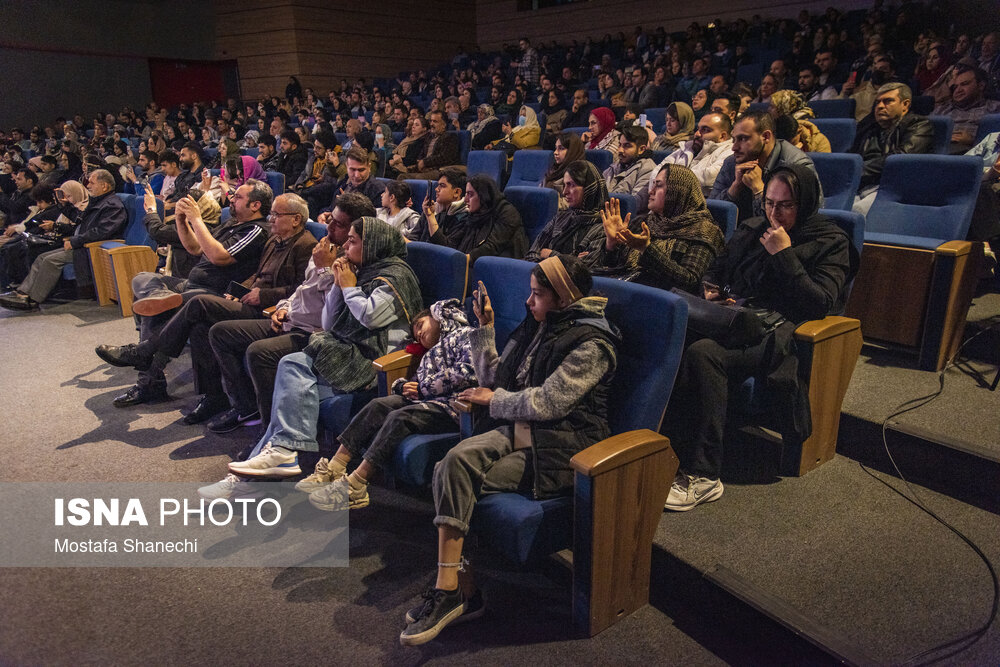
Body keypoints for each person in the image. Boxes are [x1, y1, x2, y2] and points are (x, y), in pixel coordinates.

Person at [398, 255, 618, 645]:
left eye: (536, 295)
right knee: (449, 470)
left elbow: (550, 403)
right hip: (520, 431)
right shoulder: (540, 325)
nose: (528, 302)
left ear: (564, 296)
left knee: (452, 473)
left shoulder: (593, 343)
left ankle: (456, 593)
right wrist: (485, 330)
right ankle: (456, 590)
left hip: (562, 444)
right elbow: (495, 380)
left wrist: (495, 400)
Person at [664, 164, 856, 511]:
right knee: (672, 334)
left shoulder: (830, 241)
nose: (774, 213)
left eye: (785, 205)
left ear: (807, 203)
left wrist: (785, 255)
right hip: (731, 317)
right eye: (768, 202)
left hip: (776, 331)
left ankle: (704, 475)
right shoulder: (753, 227)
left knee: (704, 353)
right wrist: (710, 289)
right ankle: (666, 450)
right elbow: (715, 268)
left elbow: (819, 304)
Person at [208, 218, 422, 492]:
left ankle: (250, 476)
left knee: (290, 376)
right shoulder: (363, 271)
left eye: (353, 241)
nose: (345, 245)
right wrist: (336, 284)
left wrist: (347, 286)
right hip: (347, 352)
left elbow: (370, 316)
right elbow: (330, 323)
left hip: (375, 365)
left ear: (373, 245)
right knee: (290, 375)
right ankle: (269, 462)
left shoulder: (396, 276)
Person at [95, 191, 316, 412]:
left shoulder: (296, 242)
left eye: (276, 215)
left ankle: (145, 354)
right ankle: (211, 397)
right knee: (148, 285)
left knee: (196, 303)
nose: (271, 218)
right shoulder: (274, 239)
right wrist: (240, 290)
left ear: (296, 219)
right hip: (233, 295)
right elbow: (252, 273)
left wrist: (262, 295)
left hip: (264, 308)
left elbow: (302, 288)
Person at [208, 192, 376, 432]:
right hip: (289, 319)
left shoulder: (352, 262)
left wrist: (325, 269)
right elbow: (302, 289)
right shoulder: (324, 248)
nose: (329, 226)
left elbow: (335, 312)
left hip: (314, 333)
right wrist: (283, 307)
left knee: (258, 352)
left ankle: (272, 433)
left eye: (339, 224)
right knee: (221, 333)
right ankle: (246, 408)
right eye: (331, 219)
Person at [300, 299, 478, 508]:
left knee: (399, 417)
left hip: (454, 407)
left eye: (421, 325)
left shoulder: (467, 334)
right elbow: (419, 383)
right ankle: (335, 467)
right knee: (379, 405)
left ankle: (357, 484)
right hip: (428, 400)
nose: (419, 335)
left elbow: (468, 372)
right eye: (415, 335)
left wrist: (423, 388)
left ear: (437, 315)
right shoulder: (430, 353)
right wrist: (403, 387)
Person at [582, 164, 725, 291]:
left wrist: (647, 249)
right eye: (653, 184)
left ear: (677, 190)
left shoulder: (704, 232)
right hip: (624, 289)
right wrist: (612, 245)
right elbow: (612, 266)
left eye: (659, 185)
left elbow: (689, 282)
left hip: (655, 303)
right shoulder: (644, 222)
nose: (651, 191)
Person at [0, 170, 126, 311]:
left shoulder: (112, 206)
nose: (88, 185)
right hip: (81, 244)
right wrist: (65, 206)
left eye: (91, 182)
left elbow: (102, 232)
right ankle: (23, 293)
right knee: (42, 257)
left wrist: (74, 241)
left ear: (104, 186)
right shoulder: (98, 202)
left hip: (91, 248)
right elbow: (80, 219)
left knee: (50, 260)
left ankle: (33, 299)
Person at [710, 110, 823, 222]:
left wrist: (759, 190)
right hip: (745, 234)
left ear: (766, 136)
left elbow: (801, 219)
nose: (734, 147)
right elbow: (711, 211)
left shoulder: (796, 165)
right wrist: (734, 189)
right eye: (734, 140)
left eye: (743, 139)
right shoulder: (732, 162)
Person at [851, 83, 934, 215]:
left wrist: (858, 170)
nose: (880, 106)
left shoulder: (919, 124)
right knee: (829, 209)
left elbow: (901, 159)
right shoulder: (867, 127)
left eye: (888, 101)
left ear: (905, 105)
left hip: (891, 188)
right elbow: (851, 155)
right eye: (877, 102)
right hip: (859, 185)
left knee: (856, 212)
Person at [420, 174, 527, 264]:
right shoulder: (473, 215)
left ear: (483, 196)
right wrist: (430, 216)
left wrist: (462, 260)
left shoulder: (506, 212)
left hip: (498, 267)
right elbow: (449, 246)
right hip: (470, 264)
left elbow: (492, 247)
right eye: (466, 194)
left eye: (470, 194)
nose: (466, 199)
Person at [526, 160, 608, 261]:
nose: (564, 192)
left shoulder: (603, 227)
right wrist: (572, 259)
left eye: (571, 185)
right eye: (565, 185)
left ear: (588, 188)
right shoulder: (561, 218)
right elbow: (533, 253)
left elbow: (585, 268)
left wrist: (552, 254)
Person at [647, 112, 734, 198]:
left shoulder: (729, 153)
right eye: (698, 129)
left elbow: (709, 176)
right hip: (666, 201)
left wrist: (667, 179)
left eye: (705, 130)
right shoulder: (687, 147)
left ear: (722, 136)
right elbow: (658, 169)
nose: (697, 134)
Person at [933, 66, 1000, 153]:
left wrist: (974, 141)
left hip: (974, 156)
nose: (958, 90)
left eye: (964, 84)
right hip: (937, 153)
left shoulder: (995, 108)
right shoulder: (942, 110)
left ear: (981, 85)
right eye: (956, 87)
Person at [406, 167, 468, 243]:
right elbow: (413, 238)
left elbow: (445, 249)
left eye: (442, 185)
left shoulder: (464, 218)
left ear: (457, 192)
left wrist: (430, 216)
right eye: (438, 185)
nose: (436, 189)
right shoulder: (431, 209)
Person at [602, 125, 656, 196]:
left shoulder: (648, 169)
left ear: (641, 149)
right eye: (620, 145)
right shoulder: (615, 166)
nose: (620, 150)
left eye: (627, 146)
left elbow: (635, 203)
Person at [406, 111, 461, 180]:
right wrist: (419, 161)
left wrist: (425, 162)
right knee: (403, 176)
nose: (431, 124)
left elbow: (445, 157)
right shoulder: (429, 137)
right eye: (431, 121)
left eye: (435, 121)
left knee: (419, 178)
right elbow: (422, 153)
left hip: (440, 170)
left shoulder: (450, 137)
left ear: (444, 124)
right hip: (425, 169)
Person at [544, 132, 586, 208]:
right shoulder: (554, 170)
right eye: (556, 148)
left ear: (572, 151)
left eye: (561, 148)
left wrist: (545, 200)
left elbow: (571, 203)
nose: (555, 152)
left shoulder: (579, 174)